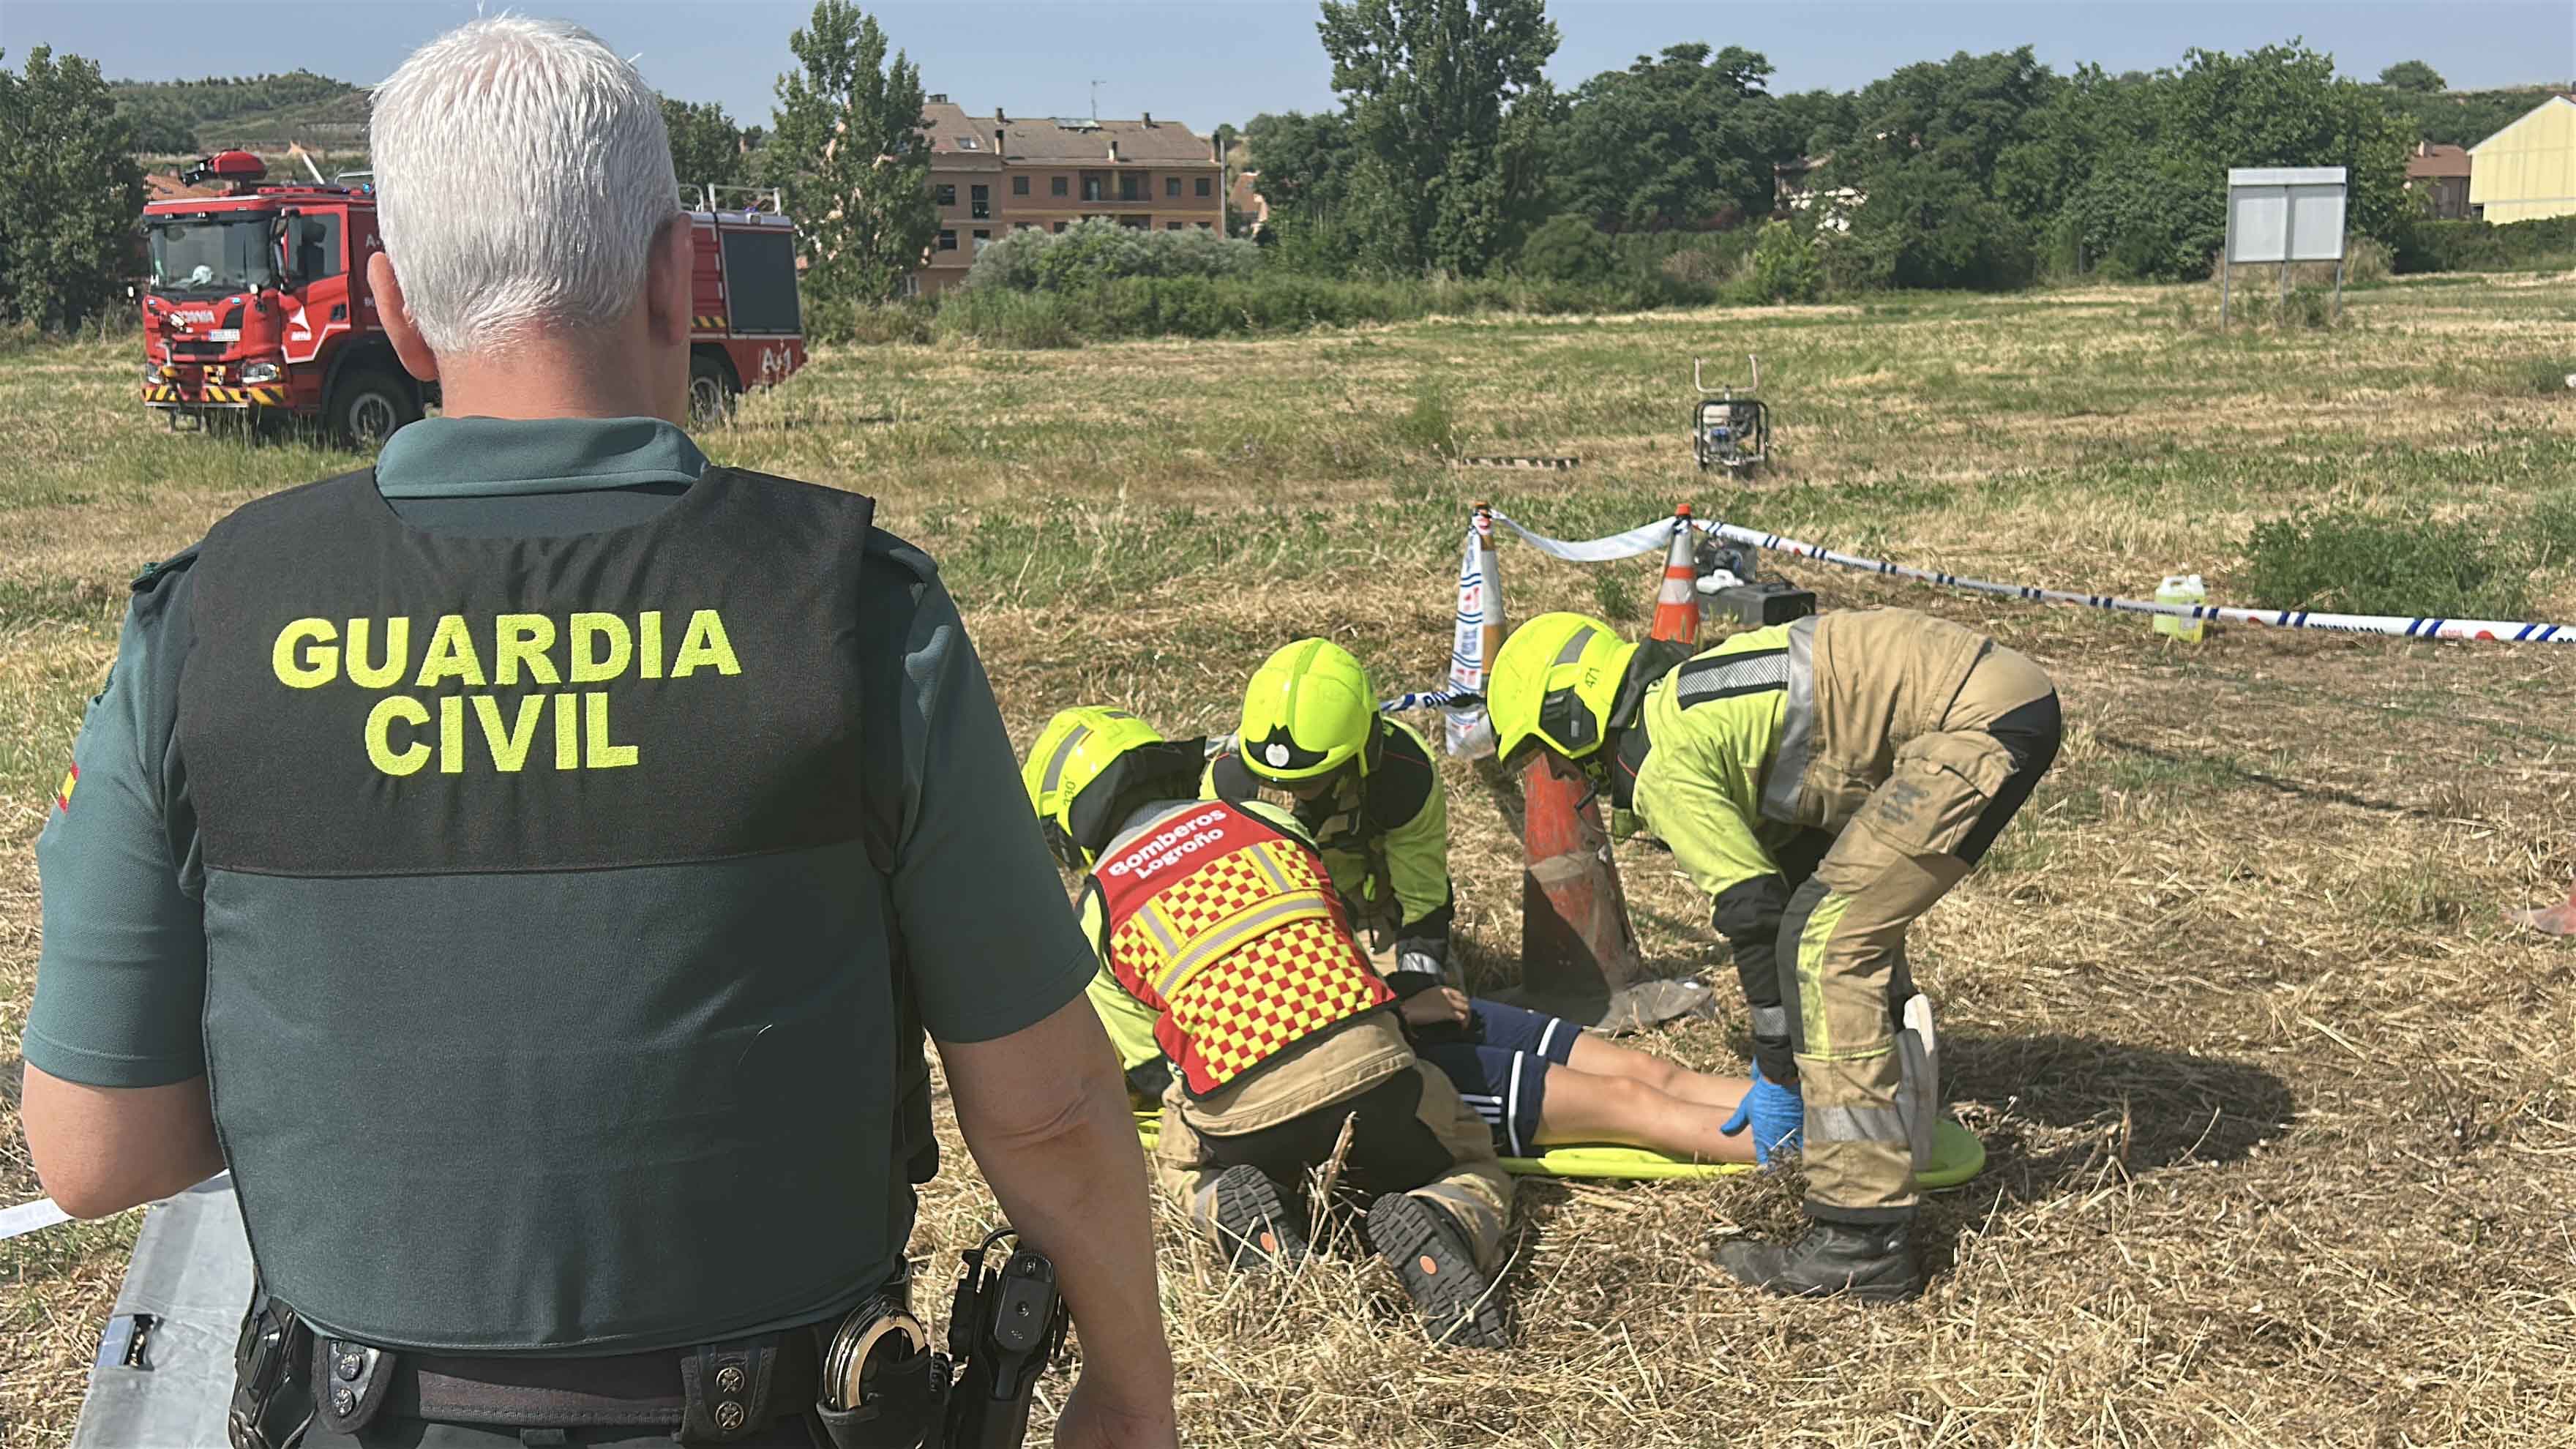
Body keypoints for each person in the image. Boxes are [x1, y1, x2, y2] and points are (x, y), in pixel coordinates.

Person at [18, 20, 1175, 1449]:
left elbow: (93, 1150)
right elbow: (1051, 1107)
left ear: (390, 299)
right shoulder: (850, 615)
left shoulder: (209, 627)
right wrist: (1128, 1389)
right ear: (675, 273)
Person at [1484, 606, 2060, 1303]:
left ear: (1569, 715)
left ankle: (1860, 1238)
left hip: (1973, 725)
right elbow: (1798, 860)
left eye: (1554, 755)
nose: (1571, 776)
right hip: (1991, 697)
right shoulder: (1695, 700)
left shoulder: (1661, 752)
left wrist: (1778, 1070)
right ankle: (1890, 1106)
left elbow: (1754, 913)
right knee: (1835, 915)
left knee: (1826, 945)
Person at [1023, 708, 1513, 1349]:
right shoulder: (1268, 822)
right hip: (1374, 1063)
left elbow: (1149, 1069)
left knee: (1182, 1161)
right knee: (1476, 1159)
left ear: (1065, 831)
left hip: (1243, 1112)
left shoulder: (1095, 915)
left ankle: (1229, 1206)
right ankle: (1440, 1212)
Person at [1206, 638, 1456, 994]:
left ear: (1364, 748)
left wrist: (1418, 987)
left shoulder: (1405, 775)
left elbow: (1423, 903)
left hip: (1368, 905)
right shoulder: (1228, 785)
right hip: (1268, 920)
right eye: (1278, 783)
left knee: (1435, 1010)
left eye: (1311, 779)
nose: (1296, 794)